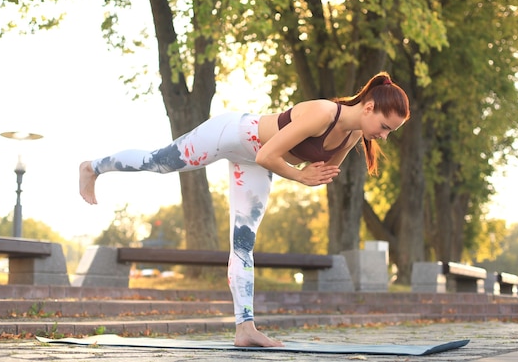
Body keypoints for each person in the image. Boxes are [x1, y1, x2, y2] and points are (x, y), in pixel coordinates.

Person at [79, 71, 410, 347]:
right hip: (233, 134)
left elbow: (317, 172)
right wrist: (300, 177)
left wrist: (313, 177)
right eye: (385, 127)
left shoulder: (351, 135)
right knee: (158, 162)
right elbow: (270, 155)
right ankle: (93, 167)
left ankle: (245, 328)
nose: (382, 136)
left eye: (388, 132)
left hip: (254, 162)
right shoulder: (324, 113)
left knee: (243, 244)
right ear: (369, 107)